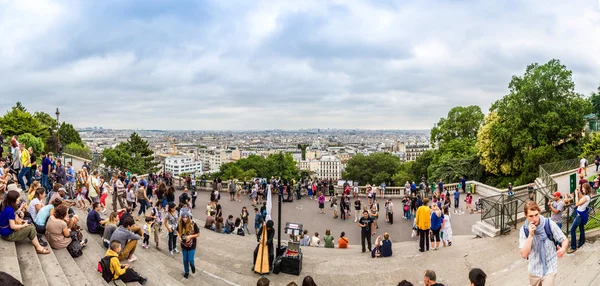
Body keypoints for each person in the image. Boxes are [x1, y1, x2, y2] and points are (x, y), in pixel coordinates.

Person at [520, 201, 568, 285]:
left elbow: (564, 239)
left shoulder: (549, 224)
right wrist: (530, 235)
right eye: (530, 216)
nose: (534, 219)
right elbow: (524, 254)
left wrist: (563, 249)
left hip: (550, 267)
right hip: (534, 270)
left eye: (536, 214)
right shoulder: (524, 230)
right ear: (525, 215)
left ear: (539, 212)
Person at [567, 183, 591, 254]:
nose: (582, 189)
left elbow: (577, 203)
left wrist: (576, 194)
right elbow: (581, 199)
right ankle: (581, 243)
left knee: (572, 230)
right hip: (582, 214)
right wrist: (579, 192)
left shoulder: (586, 197)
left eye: (583, 188)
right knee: (581, 229)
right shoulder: (587, 196)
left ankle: (573, 247)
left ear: (586, 189)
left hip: (579, 215)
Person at [177, 212, 200, 279]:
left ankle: (192, 265)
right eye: (183, 217)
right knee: (185, 259)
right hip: (184, 244)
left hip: (192, 244)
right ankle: (186, 272)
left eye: (186, 217)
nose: (184, 219)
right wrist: (179, 237)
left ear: (188, 217)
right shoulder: (180, 224)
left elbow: (198, 234)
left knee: (190, 259)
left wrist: (190, 236)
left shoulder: (193, 224)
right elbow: (177, 231)